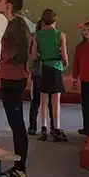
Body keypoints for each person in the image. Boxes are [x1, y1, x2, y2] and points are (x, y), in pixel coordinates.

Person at [0, 0, 31, 177]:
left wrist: (7, 62)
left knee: (17, 124)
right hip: (9, 77)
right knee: (15, 123)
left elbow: (24, 50)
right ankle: (19, 167)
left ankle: (20, 168)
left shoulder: (18, 25)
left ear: (8, 6)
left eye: (0, 0)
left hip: (14, 79)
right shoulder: (13, 24)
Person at [32, 8, 68, 142]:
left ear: (42, 20)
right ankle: (57, 129)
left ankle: (43, 129)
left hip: (44, 68)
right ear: (55, 20)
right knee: (55, 102)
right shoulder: (60, 35)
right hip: (56, 68)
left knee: (43, 101)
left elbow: (33, 55)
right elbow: (64, 56)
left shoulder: (37, 35)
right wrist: (64, 63)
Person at [28, 15, 44, 135]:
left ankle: (48, 126)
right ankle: (32, 125)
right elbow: (32, 55)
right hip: (38, 71)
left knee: (46, 101)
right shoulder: (34, 37)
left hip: (45, 71)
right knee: (36, 100)